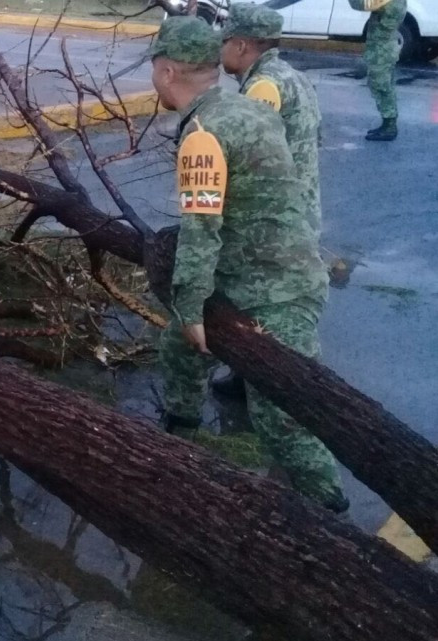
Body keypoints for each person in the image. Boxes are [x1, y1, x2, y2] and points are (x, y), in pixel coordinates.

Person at [148, 17, 349, 513]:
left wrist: (191, 305)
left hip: (279, 292)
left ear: (168, 72)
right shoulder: (240, 105)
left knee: (280, 418)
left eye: (154, 68)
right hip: (254, 276)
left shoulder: (203, 131)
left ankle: (331, 509)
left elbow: (201, 227)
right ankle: (180, 433)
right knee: (177, 346)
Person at [213, 2, 325, 399]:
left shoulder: (264, 87)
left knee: (265, 303)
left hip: (274, 221)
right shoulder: (291, 76)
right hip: (300, 208)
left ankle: (280, 394)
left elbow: (250, 153)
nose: (220, 49)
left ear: (242, 45)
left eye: (224, 41)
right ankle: (249, 376)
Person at [352, 0, 406, 141]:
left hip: (382, 50)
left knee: (381, 86)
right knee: (384, 86)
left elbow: (361, 5)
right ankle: (388, 123)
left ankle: (389, 126)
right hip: (382, 48)